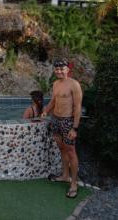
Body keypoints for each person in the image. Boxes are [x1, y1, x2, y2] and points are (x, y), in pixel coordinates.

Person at [42, 59, 82, 198]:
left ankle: (74, 183)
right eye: (57, 69)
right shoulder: (56, 84)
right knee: (62, 148)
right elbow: (53, 100)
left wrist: (74, 128)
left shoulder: (74, 85)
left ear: (67, 69)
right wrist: (46, 111)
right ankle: (65, 176)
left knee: (71, 151)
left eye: (62, 69)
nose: (59, 71)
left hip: (68, 122)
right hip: (55, 120)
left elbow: (77, 108)